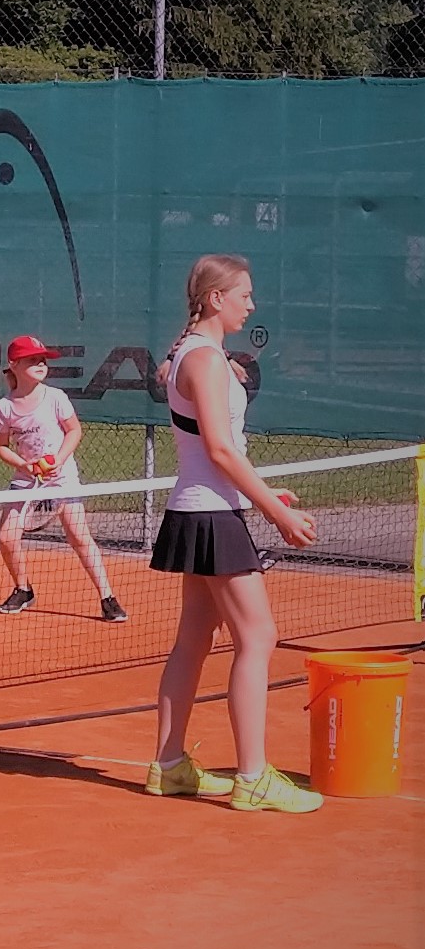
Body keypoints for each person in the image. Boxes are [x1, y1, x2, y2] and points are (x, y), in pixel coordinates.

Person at [146, 254, 322, 812]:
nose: (252, 304)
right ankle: (253, 777)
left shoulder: (199, 355)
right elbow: (220, 450)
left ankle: (169, 767)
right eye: (244, 295)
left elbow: (217, 451)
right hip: (211, 516)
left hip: (204, 509)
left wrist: (260, 493)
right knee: (258, 637)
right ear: (216, 298)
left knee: (194, 640)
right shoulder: (203, 359)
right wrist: (275, 512)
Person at [0, 335, 128, 623]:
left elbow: (74, 430)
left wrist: (59, 460)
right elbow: (1, 446)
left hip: (62, 478)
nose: (40, 364)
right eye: (32, 360)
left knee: (79, 536)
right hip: (26, 481)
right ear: (14, 365)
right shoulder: (4, 407)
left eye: (43, 360)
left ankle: (108, 598)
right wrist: (24, 465)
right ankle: (23, 589)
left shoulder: (55, 398)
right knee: (6, 537)